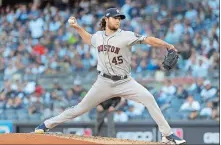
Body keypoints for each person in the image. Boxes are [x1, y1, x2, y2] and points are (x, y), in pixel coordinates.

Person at [35, 8, 186, 144]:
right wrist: (77, 27)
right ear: (107, 19)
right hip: (103, 82)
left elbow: (148, 40)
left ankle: (168, 135)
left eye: (120, 18)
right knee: (79, 109)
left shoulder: (126, 36)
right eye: (115, 18)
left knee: (149, 99)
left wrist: (167, 45)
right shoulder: (98, 36)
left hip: (125, 82)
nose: (118, 20)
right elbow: (88, 39)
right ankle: (46, 125)